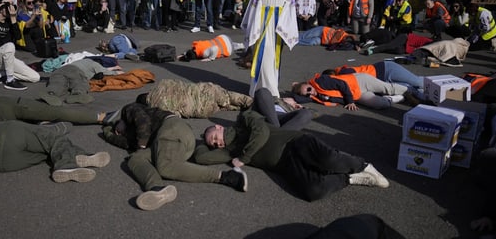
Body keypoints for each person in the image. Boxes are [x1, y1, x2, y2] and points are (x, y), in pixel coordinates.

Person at [195, 108, 389, 202]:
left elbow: (261, 133)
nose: (216, 142)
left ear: (220, 127)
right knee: (313, 192)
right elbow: (201, 157)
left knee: (327, 160)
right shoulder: (229, 151)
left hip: (295, 143)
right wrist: (201, 143)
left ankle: (363, 165)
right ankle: (350, 178)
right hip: (285, 166)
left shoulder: (244, 119)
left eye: (214, 137)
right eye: (213, 144)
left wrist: (244, 158)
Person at [101, 103, 248, 211]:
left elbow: (143, 122)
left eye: (117, 128)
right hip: (166, 144)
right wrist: (108, 131)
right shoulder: (131, 135)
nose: (118, 131)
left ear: (119, 119)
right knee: (135, 159)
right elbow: (126, 144)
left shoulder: (129, 110)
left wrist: (139, 144)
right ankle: (156, 188)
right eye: (116, 131)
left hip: (172, 128)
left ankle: (228, 176)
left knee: (165, 166)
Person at [241, 0, 299, 98]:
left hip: (277, 22)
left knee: (274, 56)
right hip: (262, 21)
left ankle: (271, 88)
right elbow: (255, 3)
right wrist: (255, 22)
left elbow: (291, 4)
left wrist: (284, 23)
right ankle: (264, 89)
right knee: (263, 53)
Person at [0, 0, 40, 90]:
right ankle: (10, 80)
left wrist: (13, 18)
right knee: (10, 45)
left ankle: (3, 74)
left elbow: (18, 37)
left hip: (7, 60)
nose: (10, 8)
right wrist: (2, 4)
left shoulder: (10, 22)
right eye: (7, 6)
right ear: (0, 7)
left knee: (35, 77)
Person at [132, 79, 252, 119]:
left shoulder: (158, 108)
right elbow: (177, 82)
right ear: (147, 92)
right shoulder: (162, 83)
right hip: (202, 90)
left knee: (225, 106)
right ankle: (252, 103)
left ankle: (246, 108)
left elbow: (175, 115)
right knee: (228, 96)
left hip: (201, 109)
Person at [292, 72, 417, 110]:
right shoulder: (314, 95)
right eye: (307, 94)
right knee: (380, 104)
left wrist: (350, 102)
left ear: (309, 84)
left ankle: (412, 90)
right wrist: (291, 98)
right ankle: (401, 97)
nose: (310, 93)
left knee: (387, 88)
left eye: (309, 89)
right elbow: (302, 98)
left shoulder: (321, 81)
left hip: (359, 82)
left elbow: (342, 85)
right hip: (357, 94)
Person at [40, 57, 123, 106]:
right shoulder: (94, 64)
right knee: (79, 82)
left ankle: (51, 93)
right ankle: (78, 94)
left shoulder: (82, 61)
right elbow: (104, 71)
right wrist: (116, 73)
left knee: (57, 83)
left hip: (59, 70)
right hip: (74, 71)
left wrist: (113, 67)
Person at [331, 61, 424, 92]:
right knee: (411, 89)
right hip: (383, 80)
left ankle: (436, 83)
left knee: (417, 82)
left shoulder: (344, 72)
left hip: (386, 69)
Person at [249, 87, 316, 130]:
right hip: (264, 110)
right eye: (308, 89)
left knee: (307, 114)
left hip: (282, 117)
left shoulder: (296, 107)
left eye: (308, 94)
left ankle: (277, 135)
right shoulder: (278, 98)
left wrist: (301, 108)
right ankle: (278, 135)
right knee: (263, 91)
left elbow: (314, 113)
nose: (310, 92)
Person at [178, 34, 244, 62]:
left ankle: (242, 46)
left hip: (228, 49)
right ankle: (243, 45)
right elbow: (190, 51)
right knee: (234, 44)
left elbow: (215, 48)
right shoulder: (197, 45)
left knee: (232, 46)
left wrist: (211, 58)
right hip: (223, 38)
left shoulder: (204, 53)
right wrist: (184, 54)